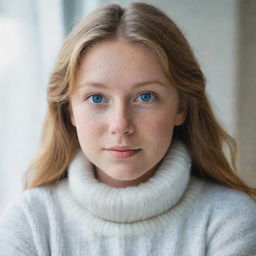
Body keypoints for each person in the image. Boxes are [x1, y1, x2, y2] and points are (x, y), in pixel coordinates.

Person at [0, 2, 255, 255]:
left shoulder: (230, 222)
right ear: (70, 111)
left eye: (145, 97)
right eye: (97, 98)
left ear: (181, 108)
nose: (120, 126)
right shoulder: (30, 223)